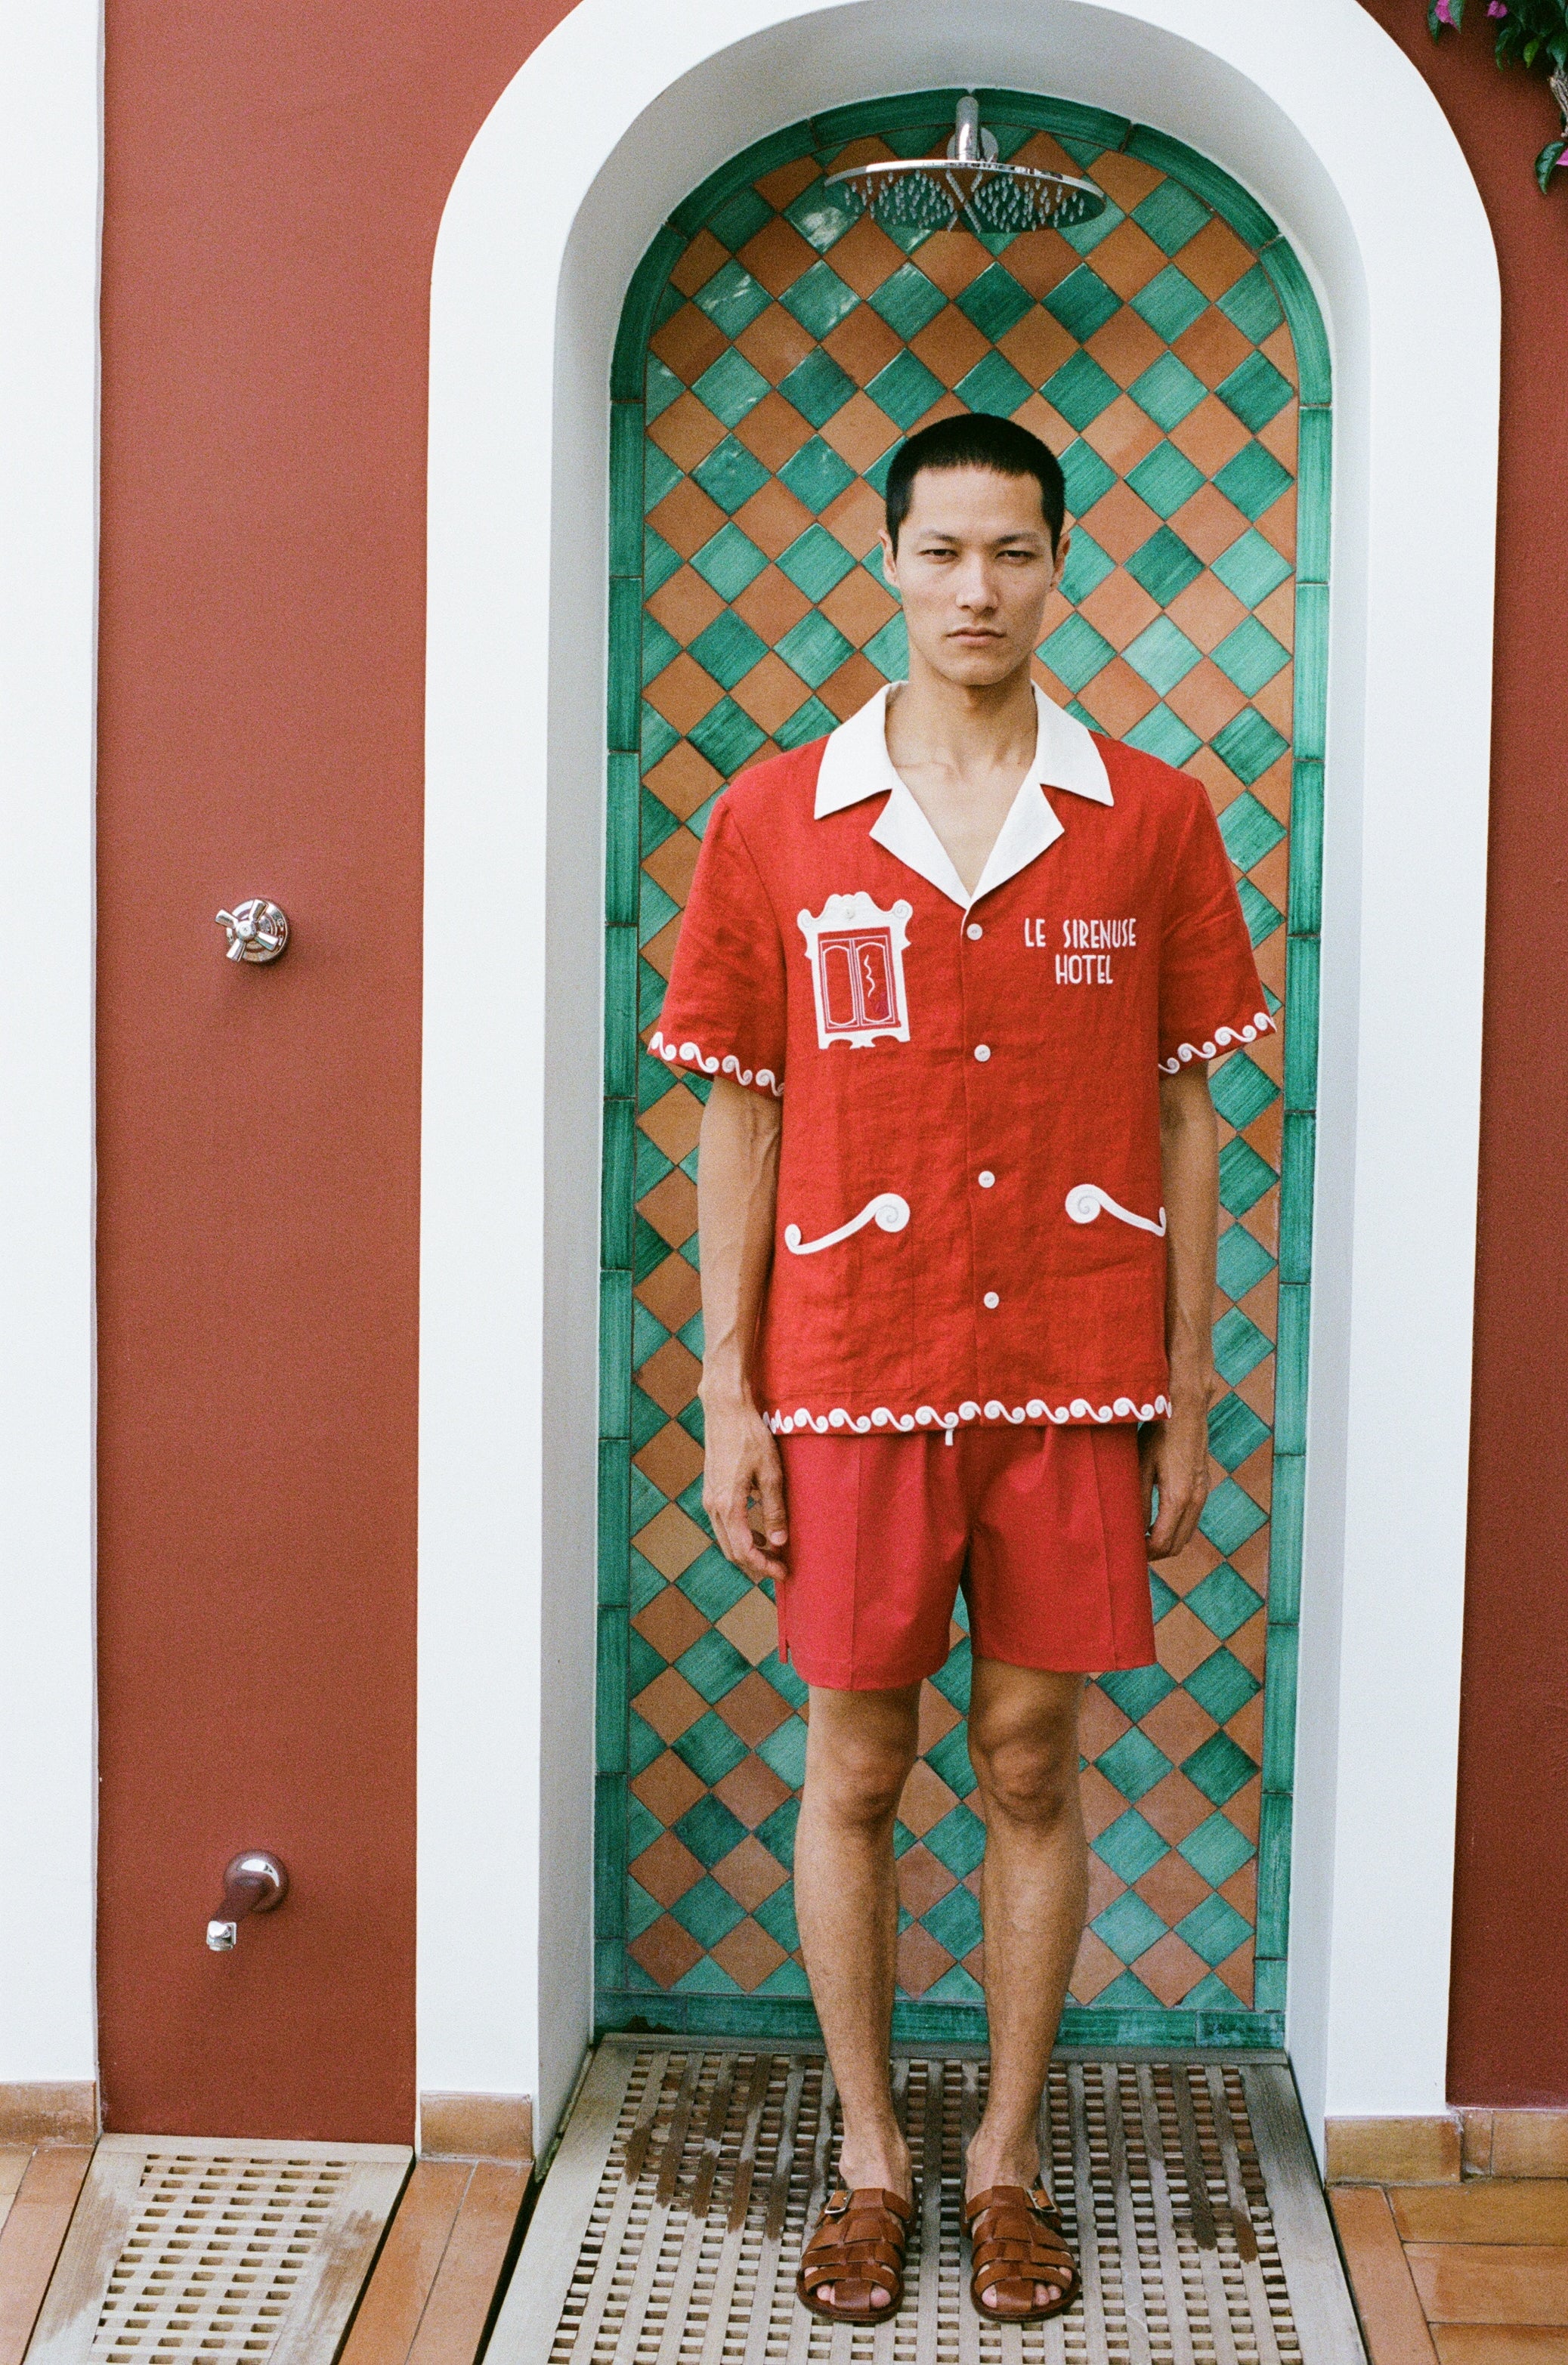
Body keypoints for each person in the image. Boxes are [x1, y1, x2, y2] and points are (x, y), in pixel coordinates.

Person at [651, 411, 1270, 2327]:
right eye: (943, 552)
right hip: (852, 1363)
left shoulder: (1153, 817)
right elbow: (738, 1122)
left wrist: (1182, 1386)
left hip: (1076, 1362)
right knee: (854, 1760)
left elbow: (1186, 1125)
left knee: (1024, 1757)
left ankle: (1003, 2159)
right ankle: (867, 2161)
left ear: (1060, 564)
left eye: (1013, 553)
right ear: (891, 560)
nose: (976, 589)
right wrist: (727, 1388)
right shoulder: (774, 817)